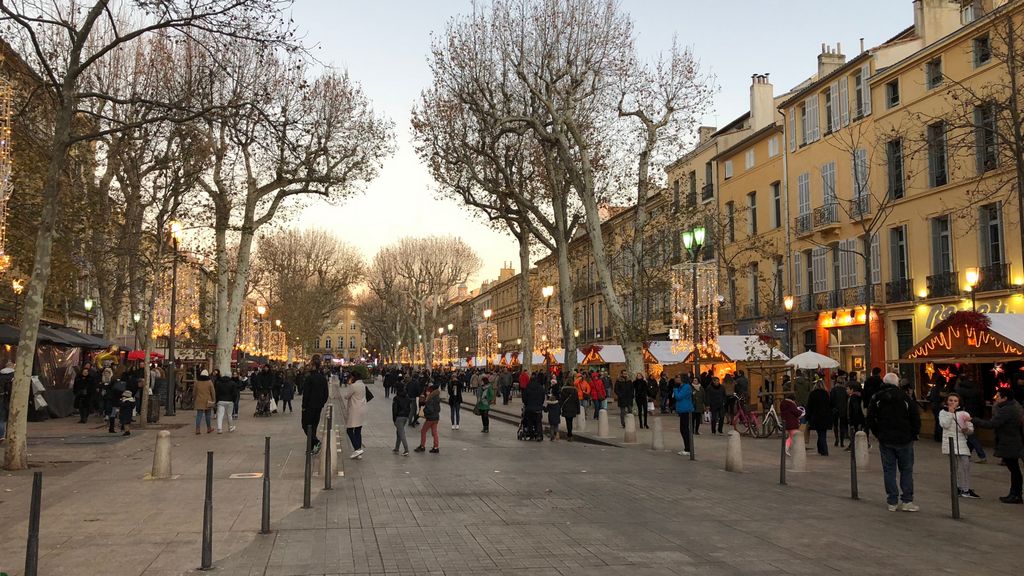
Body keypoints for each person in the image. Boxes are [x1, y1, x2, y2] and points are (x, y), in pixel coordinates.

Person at [866, 372, 921, 512]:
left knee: (889, 470)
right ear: (897, 383)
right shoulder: (905, 397)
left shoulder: (877, 398)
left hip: (886, 439)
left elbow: (871, 418)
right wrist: (913, 434)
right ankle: (907, 501)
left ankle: (892, 501)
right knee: (906, 470)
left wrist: (878, 433)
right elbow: (915, 416)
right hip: (904, 438)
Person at [966, 387, 1023, 504]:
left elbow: (992, 424)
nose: (996, 398)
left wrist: (973, 420)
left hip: (1010, 442)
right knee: (1014, 469)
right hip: (1012, 440)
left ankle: (1015, 494)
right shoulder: (1013, 406)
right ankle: (1015, 493)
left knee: (1014, 469)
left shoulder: (1007, 410)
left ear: (1005, 398)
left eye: (998, 396)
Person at [939, 393, 978, 498]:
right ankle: (955, 487)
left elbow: (971, 429)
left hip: (961, 441)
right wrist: (950, 413)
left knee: (965, 464)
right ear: (947, 401)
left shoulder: (964, 413)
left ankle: (965, 488)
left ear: (959, 402)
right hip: (950, 442)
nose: (952, 403)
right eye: (950, 400)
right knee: (954, 466)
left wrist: (967, 430)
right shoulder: (943, 413)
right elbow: (945, 425)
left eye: (955, 401)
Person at [954, 376, 987, 463]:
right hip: (977, 414)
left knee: (971, 436)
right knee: (971, 435)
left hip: (968, 414)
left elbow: (956, 394)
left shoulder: (962, 390)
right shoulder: (977, 389)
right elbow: (982, 403)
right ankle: (967, 454)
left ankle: (982, 455)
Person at [301, 356, 329, 455]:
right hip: (318, 406)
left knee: (305, 425)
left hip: (309, 406)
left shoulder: (309, 378)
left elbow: (306, 394)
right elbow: (326, 394)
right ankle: (312, 447)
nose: (308, 366)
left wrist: (304, 406)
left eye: (310, 365)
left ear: (314, 366)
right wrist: (321, 403)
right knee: (314, 426)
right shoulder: (323, 378)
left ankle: (316, 442)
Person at [341, 372, 367, 459]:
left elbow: (346, 396)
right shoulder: (362, 384)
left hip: (354, 410)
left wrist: (349, 384)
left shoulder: (353, 386)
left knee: (349, 430)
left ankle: (357, 449)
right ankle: (358, 452)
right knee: (358, 430)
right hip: (362, 409)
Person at [805, 381, 832, 456]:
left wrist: (807, 417)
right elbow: (829, 406)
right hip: (825, 417)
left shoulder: (812, 394)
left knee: (820, 434)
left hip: (816, 417)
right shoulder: (826, 394)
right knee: (822, 433)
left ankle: (824, 450)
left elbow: (809, 406)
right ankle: (821, 449)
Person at [415, 384, 441, 453]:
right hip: (436, 417)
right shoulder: (436, 397)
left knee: (423, 431)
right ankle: (436, 447)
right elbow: (438, 409)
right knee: (434, 432)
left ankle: (422, 446)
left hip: (430, 418)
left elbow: (430, 409)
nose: (426, 392)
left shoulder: (431, 399)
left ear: (431, 391)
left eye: (428, 391)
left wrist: (424, 410)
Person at [672, 377, 694, 456]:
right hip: (682, 409)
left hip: (686, 410)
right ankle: (687, 448)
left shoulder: (686, 387)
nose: (676, 379)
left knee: (685, 430)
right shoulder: (681, 387)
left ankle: (688, 449)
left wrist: (675, 389)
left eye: (678, 378)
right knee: (683, 429)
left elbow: (678, 397)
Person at [193, 369, 215, 435]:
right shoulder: (209, 382)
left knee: (199, 415)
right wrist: (214, 400)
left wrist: (194, 399)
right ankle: (209, 428)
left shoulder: (197, 382)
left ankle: (197, 429)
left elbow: (194, 392)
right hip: (208, 400)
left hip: (199, 400)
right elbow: (213, 392)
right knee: (208, 415)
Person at [214, 370, 237, 434]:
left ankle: (219, 428)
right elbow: (235, 394)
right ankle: (231, 427)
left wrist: (217, 400)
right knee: (229, 415)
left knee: (220, 415)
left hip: (220, 401)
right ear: (230, 376)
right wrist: (233, 400)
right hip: (230, 401)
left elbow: (217, 392)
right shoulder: (233, 383)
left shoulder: (219, 382)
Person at [830, 375, 849, 448]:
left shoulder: (833, 389)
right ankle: (842, 442)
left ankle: (836, 439)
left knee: (835, 425)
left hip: (835, 409)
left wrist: (832, 407)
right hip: (843, 409)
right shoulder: (845, 390)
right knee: (842, 426)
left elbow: (831, 400)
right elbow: (847, 400)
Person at [392, 387, 411, 455]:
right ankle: (397, 447)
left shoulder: (396, 398)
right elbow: (409, 408)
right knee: (399, 432)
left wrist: (394, 419)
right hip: (405, 417)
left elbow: (394, 410)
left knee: (401, 433)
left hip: (399, 417)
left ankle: (406, 450)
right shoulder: (407, 398)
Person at [0, 364, 11, 441]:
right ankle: (10, 434)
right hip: (11, 400)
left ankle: (1, 435)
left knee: (1, 418)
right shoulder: (14, 377)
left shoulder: (1, 377)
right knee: (11, 418)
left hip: (1, 400)